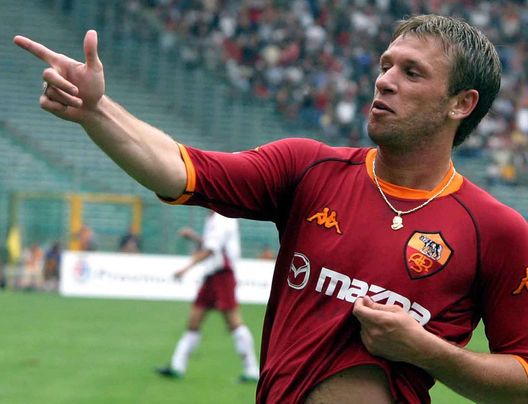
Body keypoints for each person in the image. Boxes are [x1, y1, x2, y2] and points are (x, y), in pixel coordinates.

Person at [13, 14, 528, 403]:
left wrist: (426, 350)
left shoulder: (496, 230)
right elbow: (180, 168)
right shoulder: (307, 168)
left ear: (461, 104)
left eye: (412, 73)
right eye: (385, 65)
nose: (385, 80)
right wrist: (96, 110)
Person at [156, 211, 260, 381]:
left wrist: (186, 268)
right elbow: (212, 245)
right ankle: (177, 366)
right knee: (194, 320)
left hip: (222, 274)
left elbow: (212, 250)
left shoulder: (223, 217)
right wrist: (194, 238)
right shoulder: (214, 218)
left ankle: (251, 369)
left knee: (234, 322)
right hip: (212, 275)